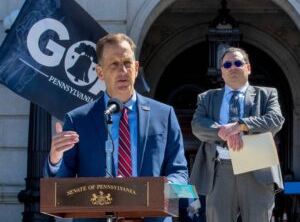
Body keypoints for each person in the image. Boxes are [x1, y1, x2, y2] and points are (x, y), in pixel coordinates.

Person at [44, 33, 188, 222]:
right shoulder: (79, 119)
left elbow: (180, 172)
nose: (122, 71)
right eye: (114, 64)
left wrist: (163, 190)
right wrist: (55, 160)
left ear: (136, 68)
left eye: (127, 63)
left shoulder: (164, 115)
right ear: (100, 72)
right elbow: (62, 185)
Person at [189, 47, 285, 222]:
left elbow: (275, 120)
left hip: (258, 168)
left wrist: (241, 125)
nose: (232, 67)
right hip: (220, 170)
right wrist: (225, 132)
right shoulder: (206, 98)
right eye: (227, 64)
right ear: (222, 72)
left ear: (248, 68)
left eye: (238, 63)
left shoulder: (267, 95)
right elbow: (197, 125)